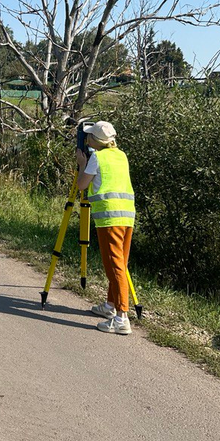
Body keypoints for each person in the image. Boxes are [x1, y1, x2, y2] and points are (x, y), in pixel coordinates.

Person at [76, 120, 136, 335]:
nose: (87, 139)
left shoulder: (97, 158)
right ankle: (110, 305)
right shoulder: (121, 155)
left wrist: (82, 165)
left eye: (89, 136)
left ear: (95, 140)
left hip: (109, 217)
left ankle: (122, 317)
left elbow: (81, 185)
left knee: (115, 266)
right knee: (120, 263)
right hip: (127, 215)